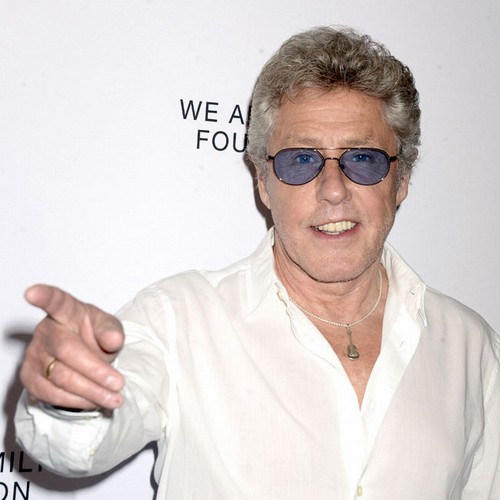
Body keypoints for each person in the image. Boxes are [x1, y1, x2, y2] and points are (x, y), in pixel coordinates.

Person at [15, 26, 499, 499]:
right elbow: (80, 443)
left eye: (363, 159)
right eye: (301, 160)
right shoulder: (179, 318)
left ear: (402, 180)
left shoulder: (471, 347)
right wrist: (67, 392)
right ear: (263, 182)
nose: (333, 190)